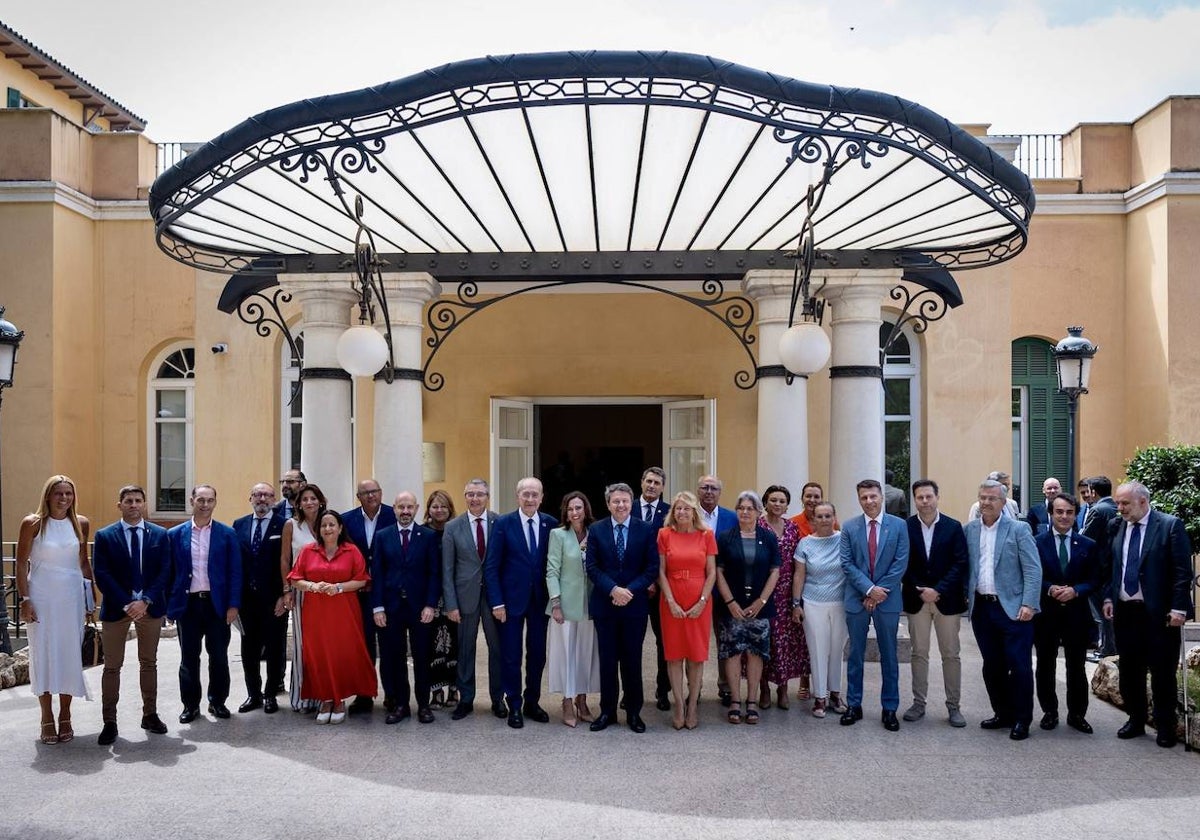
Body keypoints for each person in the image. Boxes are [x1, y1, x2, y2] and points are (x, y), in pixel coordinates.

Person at [1102, 481, 1194, 748]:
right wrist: (1109, 596)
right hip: (1126, 612)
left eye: (1125, 504)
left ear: (1143, 501)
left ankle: (1165, 726)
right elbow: (1111, 567)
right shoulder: (1116, 526)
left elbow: (1181, 571)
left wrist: (1178, 608)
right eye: (1118, 503)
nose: (1119, 509)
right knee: (1130, 670)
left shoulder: (1168, 526)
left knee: (1162, 671)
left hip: (1160, 614)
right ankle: (1136, 718)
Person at [15, 475, 94, 744]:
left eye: (68, 493)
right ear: (48, 496)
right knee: (44, 654)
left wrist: (90, 601)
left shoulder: (80, 523)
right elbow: (21, 564)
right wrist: (26, 600)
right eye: (58, 493)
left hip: (71, 596)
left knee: (69, 654)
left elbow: (83, 563)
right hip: (42, 595)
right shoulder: (33, 524)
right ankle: (46, 717)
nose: (64, 498)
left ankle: (66, 715)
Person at [93, 484, 171, 744]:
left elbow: (165, 570)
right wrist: (127, 603)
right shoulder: (105, 535)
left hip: (150, 607)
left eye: (138, 500)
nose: (134, 505)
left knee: (149, 663)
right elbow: (102, 573)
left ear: (144, 504)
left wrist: (146, 600)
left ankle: (150, 714)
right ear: (120, 505)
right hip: (117, 609)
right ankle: (109, 722)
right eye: (128, 500)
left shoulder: (160, 534)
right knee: (112, 666)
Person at [966, 479, 1041, 741]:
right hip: (982, 610)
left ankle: (1022, 719)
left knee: (1019, 666)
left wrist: (1029, 603)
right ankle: (1002, 713)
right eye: (982, 497)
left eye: (992, 498)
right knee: (992, 666)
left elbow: (1033, 569)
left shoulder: (1019, 530)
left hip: (1014, 609)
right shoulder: (970, 530)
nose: (986, 503)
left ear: (1003, 502)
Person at [288, 509, 377, 724]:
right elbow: (294, 578)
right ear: (319, 530)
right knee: (318, 655)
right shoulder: (308, 551)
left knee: (341, 654)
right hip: (315, 614)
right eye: (323, 525)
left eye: (331, 524)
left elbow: (362, 580)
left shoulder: (351, 551)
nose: (327, 528)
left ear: (340, 528)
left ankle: (340, 700)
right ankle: (326, 699)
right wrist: (312, 586)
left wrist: (338, 587)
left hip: (344, 613)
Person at [584, 482, 659, 733]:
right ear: (608, 504)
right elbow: (592, 567)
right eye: (616, 501)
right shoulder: (596, 530)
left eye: (625, 501)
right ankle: (607, 711)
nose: (621, 505)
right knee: (607, 661)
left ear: (632, 502)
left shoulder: (646, 529)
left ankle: (634, 713)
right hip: (605, 606)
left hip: (634, 607)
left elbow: (651, 568)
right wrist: (613, 590)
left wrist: (629, 591)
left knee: (632, 661)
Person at [484, 477, 558, 729]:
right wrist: (496, 602)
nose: (530, 499)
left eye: (534, 495)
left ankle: (532, 702)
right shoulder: (504, 524)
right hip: (509, 602)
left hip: (540, 601)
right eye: (525, 494)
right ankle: (514, 703)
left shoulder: (551, 524)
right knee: (511, 655)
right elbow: (492, 566)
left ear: (541, 497)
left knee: (537, 654)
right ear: (517, 497)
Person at [166, 484, 242, 724]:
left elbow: (235, 572)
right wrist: (170, 604)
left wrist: (233, 605)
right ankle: (190, 705)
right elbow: (169, 573)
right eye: (201, 500)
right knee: (189, 657)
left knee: (218, 655)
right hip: (187, 605)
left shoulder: (227, 534)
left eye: (210, 500)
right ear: (192, 501)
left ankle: (217, 701)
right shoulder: (175, 534)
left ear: (215, 503)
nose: (205, 505)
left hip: (216, 605)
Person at [839, 479, 909, 731]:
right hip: (857, 599)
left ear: (881, 497)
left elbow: (900, 563)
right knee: (855, 654)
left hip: (888, 600)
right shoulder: (849, 527)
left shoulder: (899, 526)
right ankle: (853, 705)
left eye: (873, 496)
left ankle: (890, 708)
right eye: (864, 497)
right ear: (859, 499)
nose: (869, 501)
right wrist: (869, 590)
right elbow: (847, 564)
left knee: (889, 655)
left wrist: (878, 592)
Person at [901, 479, 969, 727]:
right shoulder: (905, 527)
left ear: (937, 497)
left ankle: (954, 706)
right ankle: (919, 704)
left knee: (951, 655)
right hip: (916, 599)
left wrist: (937, 589)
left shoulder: (953, 527)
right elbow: (901, 562)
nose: (925, 501)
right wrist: (920, 589)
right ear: (915, 499)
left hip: (946, 600)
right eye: (920, 497)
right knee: (918, 653)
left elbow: (960, 563)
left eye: (929, 496)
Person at [372, 491, 441, 724]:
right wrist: (377, 607)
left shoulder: (428, 536)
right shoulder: (382, 536)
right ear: (393, 508)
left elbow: (434, 574)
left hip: (420, 608)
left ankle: (424, 705)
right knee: (395, 658)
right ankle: (401, 704)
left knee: (422, 657)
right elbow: (378, 574)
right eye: (401, 507)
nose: (405, 512)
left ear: (417, 508)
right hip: (391, 608)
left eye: (409, 507)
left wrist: (430, 604)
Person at [1033, 492, 1100, 734]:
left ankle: (1077, 714)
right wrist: (1049, 588)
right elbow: (1031, 575)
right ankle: (1049, 712)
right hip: (1046, 616)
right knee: (1045, 665)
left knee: (1076, 667)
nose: (1064, 516)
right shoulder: (1037, 542)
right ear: (1051, 514)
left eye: (1069, 512)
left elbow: (1094, 579)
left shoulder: (1087, 545)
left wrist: (1076, 590)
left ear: (1075, 515)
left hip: (1076, 615)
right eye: (1059, 512)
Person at [715, 491, 780, 725]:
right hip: (732, 606)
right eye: (740, 508)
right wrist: (730, 602)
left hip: (760, 607)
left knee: (755, 653)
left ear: (758, 512)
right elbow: (718, 572)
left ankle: (752, 701)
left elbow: (775, 570)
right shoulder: (725, 537)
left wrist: (761, 600)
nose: (744, 512)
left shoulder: (768, 537)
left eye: (749, 508)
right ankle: (735, 700)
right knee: (732, 652)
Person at [442, 478, 503, 720]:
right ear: (464, 496)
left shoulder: (499, 522)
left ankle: (498, 699)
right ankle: (465, 699)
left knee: (496, 649)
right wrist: (451, 604)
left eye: (479, 494)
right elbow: (447, 569)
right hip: (464, 597)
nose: (475, 498)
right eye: (470, 494)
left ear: (487, 496)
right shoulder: (452, 527)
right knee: (465, 650)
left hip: (493, 597)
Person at [656, 491, 716, 730]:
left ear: (694, 512)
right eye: (678, 508)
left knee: (696, 656)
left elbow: (712, 572)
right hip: (671, 600)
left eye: (686, 508)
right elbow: (660, 571)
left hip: (699, 601)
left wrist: (702, 601)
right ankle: (679, 705)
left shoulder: (706, 535)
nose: (681, 512)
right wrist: (670, 601)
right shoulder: (664, 534)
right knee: (674, 656)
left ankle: (693, 706)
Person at [546, 491, 601, 727]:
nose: (575, 512)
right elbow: (552, 571)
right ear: (565, 513)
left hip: (591, 604)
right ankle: (567, 701)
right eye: (570, 509)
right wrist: (556, 603)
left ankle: (582, 700)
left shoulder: (595, 533)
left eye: (578, 508)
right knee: (566, 653)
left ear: (585, 510)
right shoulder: (558, 535)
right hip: (565, 606)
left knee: (585, 654)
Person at [232, 482, 288, 715]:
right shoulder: (239, 524)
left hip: (273, 600)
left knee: (275, 649)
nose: (262, 498)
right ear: (250, 498)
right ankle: (253, 694)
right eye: (257, 494)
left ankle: (270, 694)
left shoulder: (285, 525)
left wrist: (283, 595)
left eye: (266, 495)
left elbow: (288, 562)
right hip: (247, 601)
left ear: (274, 499)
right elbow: (235, 564)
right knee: (249, 650)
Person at [342, 477, 396, 713]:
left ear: (381, 493)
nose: (371, 496)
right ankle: (364, 694)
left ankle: (393, 694)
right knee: (363, 647)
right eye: (365, 493)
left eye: (374, 491)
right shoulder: (346, 520)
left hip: (388, 593)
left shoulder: (394, 515)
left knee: (390, 646)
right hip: (360, 594)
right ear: (358, 497)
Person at [792, 502, 848, 717]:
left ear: (834, 517)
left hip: (841, 603)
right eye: (820, 516)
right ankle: (820, 697)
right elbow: (799, 575)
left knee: (836, 650)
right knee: (817, 650)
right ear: (813, 520)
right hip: (813, 603)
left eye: (828, 515)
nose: (824, 520)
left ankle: (835, 694)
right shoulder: (805, 544)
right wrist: (796, 604)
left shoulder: (844, 540)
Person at [758, 485, 809, 710]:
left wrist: (797, 599)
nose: (777, 504)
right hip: (761, 591)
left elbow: (799, 563)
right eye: (773, 500)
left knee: (784, 643)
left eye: (782, 501)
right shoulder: (757, 525)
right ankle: (764, 689)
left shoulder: (792, 528)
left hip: (787, 593)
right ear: (765, 502)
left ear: (787, 505)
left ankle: (783, 688)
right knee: (763, 641)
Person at [281, 483, 324, 712]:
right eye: (304, 499)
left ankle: (323, 695)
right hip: (301, 590)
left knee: (323, 644)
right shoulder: (291, 526)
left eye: (313, 498)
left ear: (320, 501)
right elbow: (285, 560)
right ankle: (303, 696)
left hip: (326, 593)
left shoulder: (328, 522)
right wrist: (286, 590)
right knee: (302, 644)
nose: (309, 502)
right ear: (298, 503)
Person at [631, 466, 671, 712]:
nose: (652, 486)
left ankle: (663, 690)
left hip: (660, 588)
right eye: (648, 481)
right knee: (631, 642)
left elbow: (667, 552)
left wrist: (655, 580)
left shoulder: (669, 513)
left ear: (663, 487)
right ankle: (631, 691)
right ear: (641, 482)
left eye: (657, 483)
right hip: (633, 588)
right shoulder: (627, 507)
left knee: (663, 642)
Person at [697, 474, 737, 706]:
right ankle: (696, 686)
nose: (709, 492)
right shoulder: (689, 517)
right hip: (695, 587)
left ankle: (726, 687)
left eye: (713, 488)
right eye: (704, 488)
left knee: (725, 640)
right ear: (698, 490)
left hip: (723, 588)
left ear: (720, 493)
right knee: (697, 640)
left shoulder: (731, 518)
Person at [423, 489, 459, 710]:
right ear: (428, 509)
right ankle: (436, 692)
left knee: (455, 644)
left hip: (454, 597)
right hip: (430, 599)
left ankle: (454, 689)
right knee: (433, 646)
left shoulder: (457, 530)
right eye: (435, 506)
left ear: (450, 509)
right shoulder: (423, 533)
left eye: (443, 506)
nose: (439, 510)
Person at [1082, 475, 1119, 659]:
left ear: (1093, 491)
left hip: (1099, 567)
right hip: (1115, 566)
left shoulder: (1097, 510)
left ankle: (1107, 650)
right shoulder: (1117, 507)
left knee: (1103, 613)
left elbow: (1086, 539)